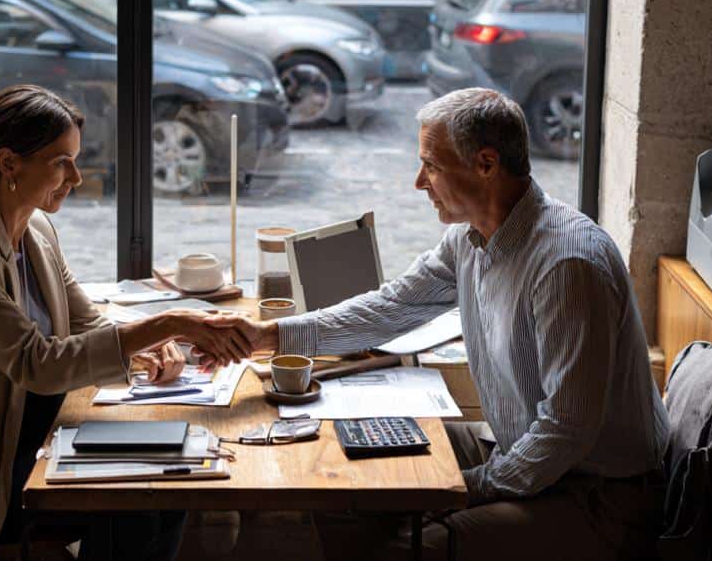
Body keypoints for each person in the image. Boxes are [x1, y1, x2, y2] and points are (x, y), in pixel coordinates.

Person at [208, 87, 670, 560]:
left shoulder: (566, 266)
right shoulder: (468, 240)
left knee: (405, 546)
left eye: (431, 165)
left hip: (596, 497)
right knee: (347, 486)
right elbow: (391, 307)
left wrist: (456, 489)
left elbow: (565, 432)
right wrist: (271, 336)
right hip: (522, 454)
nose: (418, 182)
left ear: (486, 164)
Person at [0, 85, 254, 561]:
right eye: (61, 162)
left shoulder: (38, 229)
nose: (76, 176)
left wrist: (154, 345)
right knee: (133, 506)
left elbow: (86, 320)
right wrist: (164, 326)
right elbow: (37, 363)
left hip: (36, 431)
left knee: (169, 489)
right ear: (9, 163)